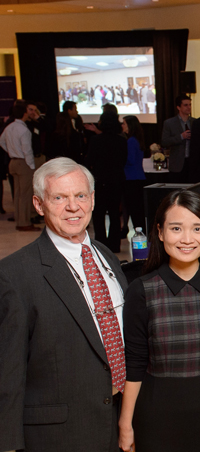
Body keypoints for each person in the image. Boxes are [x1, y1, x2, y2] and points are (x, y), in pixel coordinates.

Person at [0, 158, 127, 451]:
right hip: (58, 436)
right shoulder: (14, 275)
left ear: (92, 200)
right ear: (39, 204)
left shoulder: (106, 256)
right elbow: (8, 371)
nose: (73, 207)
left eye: (80, 196)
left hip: (119, 422)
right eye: (59, 198)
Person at [118, 190, 200, 452]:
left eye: (197, 228)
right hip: (156, 419)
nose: (187, 239)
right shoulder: (141, 290)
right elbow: (135, 362)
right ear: (161, 232)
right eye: (176, 228)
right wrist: (125, 423)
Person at [85, 111, 127, 253]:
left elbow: (89, 160)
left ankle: (100, 243)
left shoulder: (96, 140)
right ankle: (115, 245)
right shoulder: (121, 141)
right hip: (116, 181)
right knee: (115, 213)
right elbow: (123, 160)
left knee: (99, 213)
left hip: (100, 181)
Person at [0, 102, 39, 231]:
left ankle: (19, 219)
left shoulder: (10, 127)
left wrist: (11, 152)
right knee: (25, 194)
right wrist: (31, 166)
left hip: (13, 161)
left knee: (17, 193)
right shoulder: (23, 129)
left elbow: (2, 141)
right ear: (24, 113)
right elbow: (27, 150)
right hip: (23, 163)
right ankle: (24, 222)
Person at [121, 115, 146, 233]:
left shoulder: (130, 141)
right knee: (138, 208)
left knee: (134, 208)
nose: (122, 126)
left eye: (124, 123)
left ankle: (139, 233)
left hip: (131, 177)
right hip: (139, 176)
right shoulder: (137, 139)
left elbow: (130, 160)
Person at [161, 95, 195, 181]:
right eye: (185, 105)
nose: (189, 107)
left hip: (192, 163)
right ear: (178, 107)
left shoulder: (195, 122)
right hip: (177, 164)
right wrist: (181, 137)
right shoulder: (169, 123)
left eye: (190, 105)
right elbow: (164, 141)